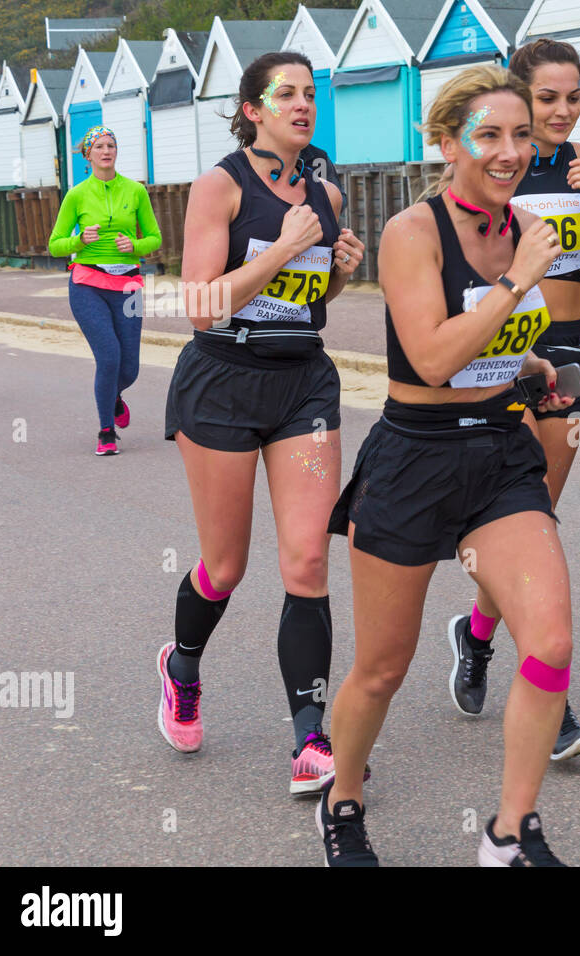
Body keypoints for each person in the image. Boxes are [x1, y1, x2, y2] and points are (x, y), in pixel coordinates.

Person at [319, 64, 574, 867]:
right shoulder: (412, 232)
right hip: (414, 458)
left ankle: (510, 833)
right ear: (446, 141)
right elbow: (430, 356)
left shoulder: (522, 222)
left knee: (552, 644)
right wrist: (517, 280)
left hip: (499, 454)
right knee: (380, 669)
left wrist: (530, 368)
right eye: (489, 135)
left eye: (521, 135)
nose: (509, 152)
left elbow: (489, 339)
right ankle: (344, 798)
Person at [156, 52, 367, 797]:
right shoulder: (220, 185)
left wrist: (340, 268)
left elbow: (313, 301)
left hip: (302, 381)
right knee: (226, 566)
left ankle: (311, 737)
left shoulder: (326, 192)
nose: (302, 104)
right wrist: (282, 248)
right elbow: (202, 304)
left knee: (308, 559)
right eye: (287, 94)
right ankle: (182, 665)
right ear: (253, 108)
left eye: (311, 94)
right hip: (222, 380)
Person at [442, 37, 580, 761]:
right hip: (499, 353)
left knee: (534, 517)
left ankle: (478, 637)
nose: (562, 111)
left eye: (573, 96)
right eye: (547, 99)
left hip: (568, 354)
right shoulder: (496, 162)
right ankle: (548, 691)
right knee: (515, 520)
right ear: (521, 97)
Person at [47, 126, 161, 456]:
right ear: (88, 155)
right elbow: (55, 245)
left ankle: (112, 396)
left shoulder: (135, 191)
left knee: (130, 368)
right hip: (87, 283)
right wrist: (79, 241)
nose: (106, 150)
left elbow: (155, 238)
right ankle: (106, 432)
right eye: (99, 146)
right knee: (109, 356)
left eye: (111, 144)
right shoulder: (77, 195)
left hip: (127, 284)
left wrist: (135, 244)